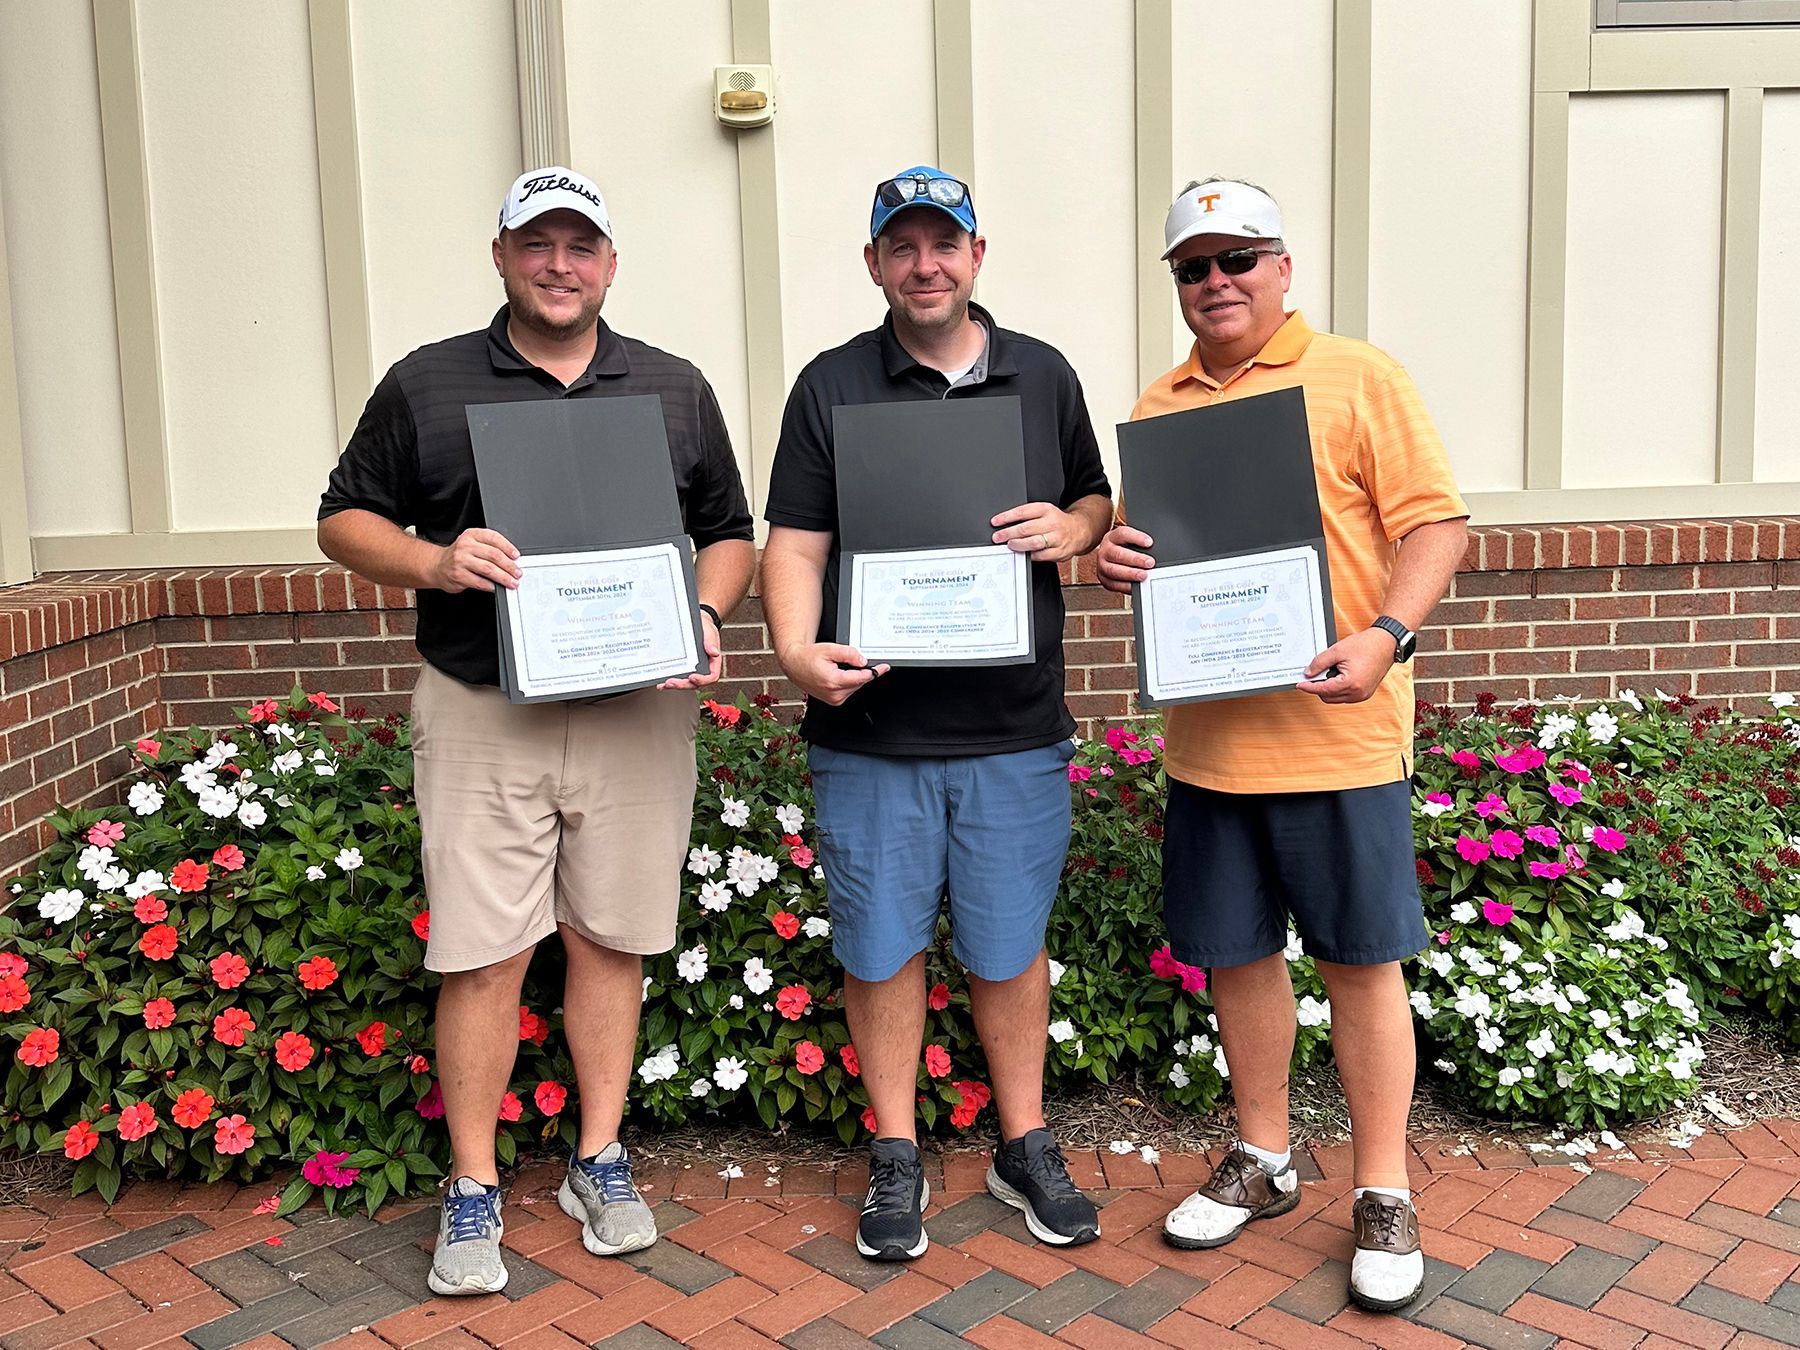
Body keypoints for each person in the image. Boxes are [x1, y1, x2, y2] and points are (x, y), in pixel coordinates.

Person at [317, 166, 756, 1296]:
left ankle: (598, 1161)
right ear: (502, 253)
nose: (561, 264)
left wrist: (702, 612)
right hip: (481, 711)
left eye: (582, 245)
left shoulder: (671, 386)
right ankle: (472, 1187)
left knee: (612, 939)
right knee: (483, 952)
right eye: (538, 243)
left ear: (610, 262)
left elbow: (729, 532)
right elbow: (342, 518)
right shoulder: (427, 383)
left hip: (632, 714)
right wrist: (432, 558)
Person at [1098, 177, 1469, 1313]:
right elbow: (1167, 559)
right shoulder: (1160, 406)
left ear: (1282, 267)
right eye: (1194, 267)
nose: (1217, 282)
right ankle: (1262, 1158)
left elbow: (1435, 523)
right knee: (1238, 958)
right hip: (1211, 747)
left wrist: (1388, 636)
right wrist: (1119, 560)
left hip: (1337, 742)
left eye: (1238, 260)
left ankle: (1383, 1188)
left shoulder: (1361, 375)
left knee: (1362, 967)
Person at [760, 166, 1113, 1261]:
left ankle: (1023, 1142)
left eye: (943, 243)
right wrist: (790, 649)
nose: (926, 265)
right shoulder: (831, 386)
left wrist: (1075, 527)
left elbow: (1094, 501)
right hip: (873, 732)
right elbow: (799, 544)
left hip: (1012, 723)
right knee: (879, 950)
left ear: (976, 254)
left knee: (1010, 949)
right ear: (875, 264)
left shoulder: (1041, 375)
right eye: (902, 247)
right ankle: (899, 1153)